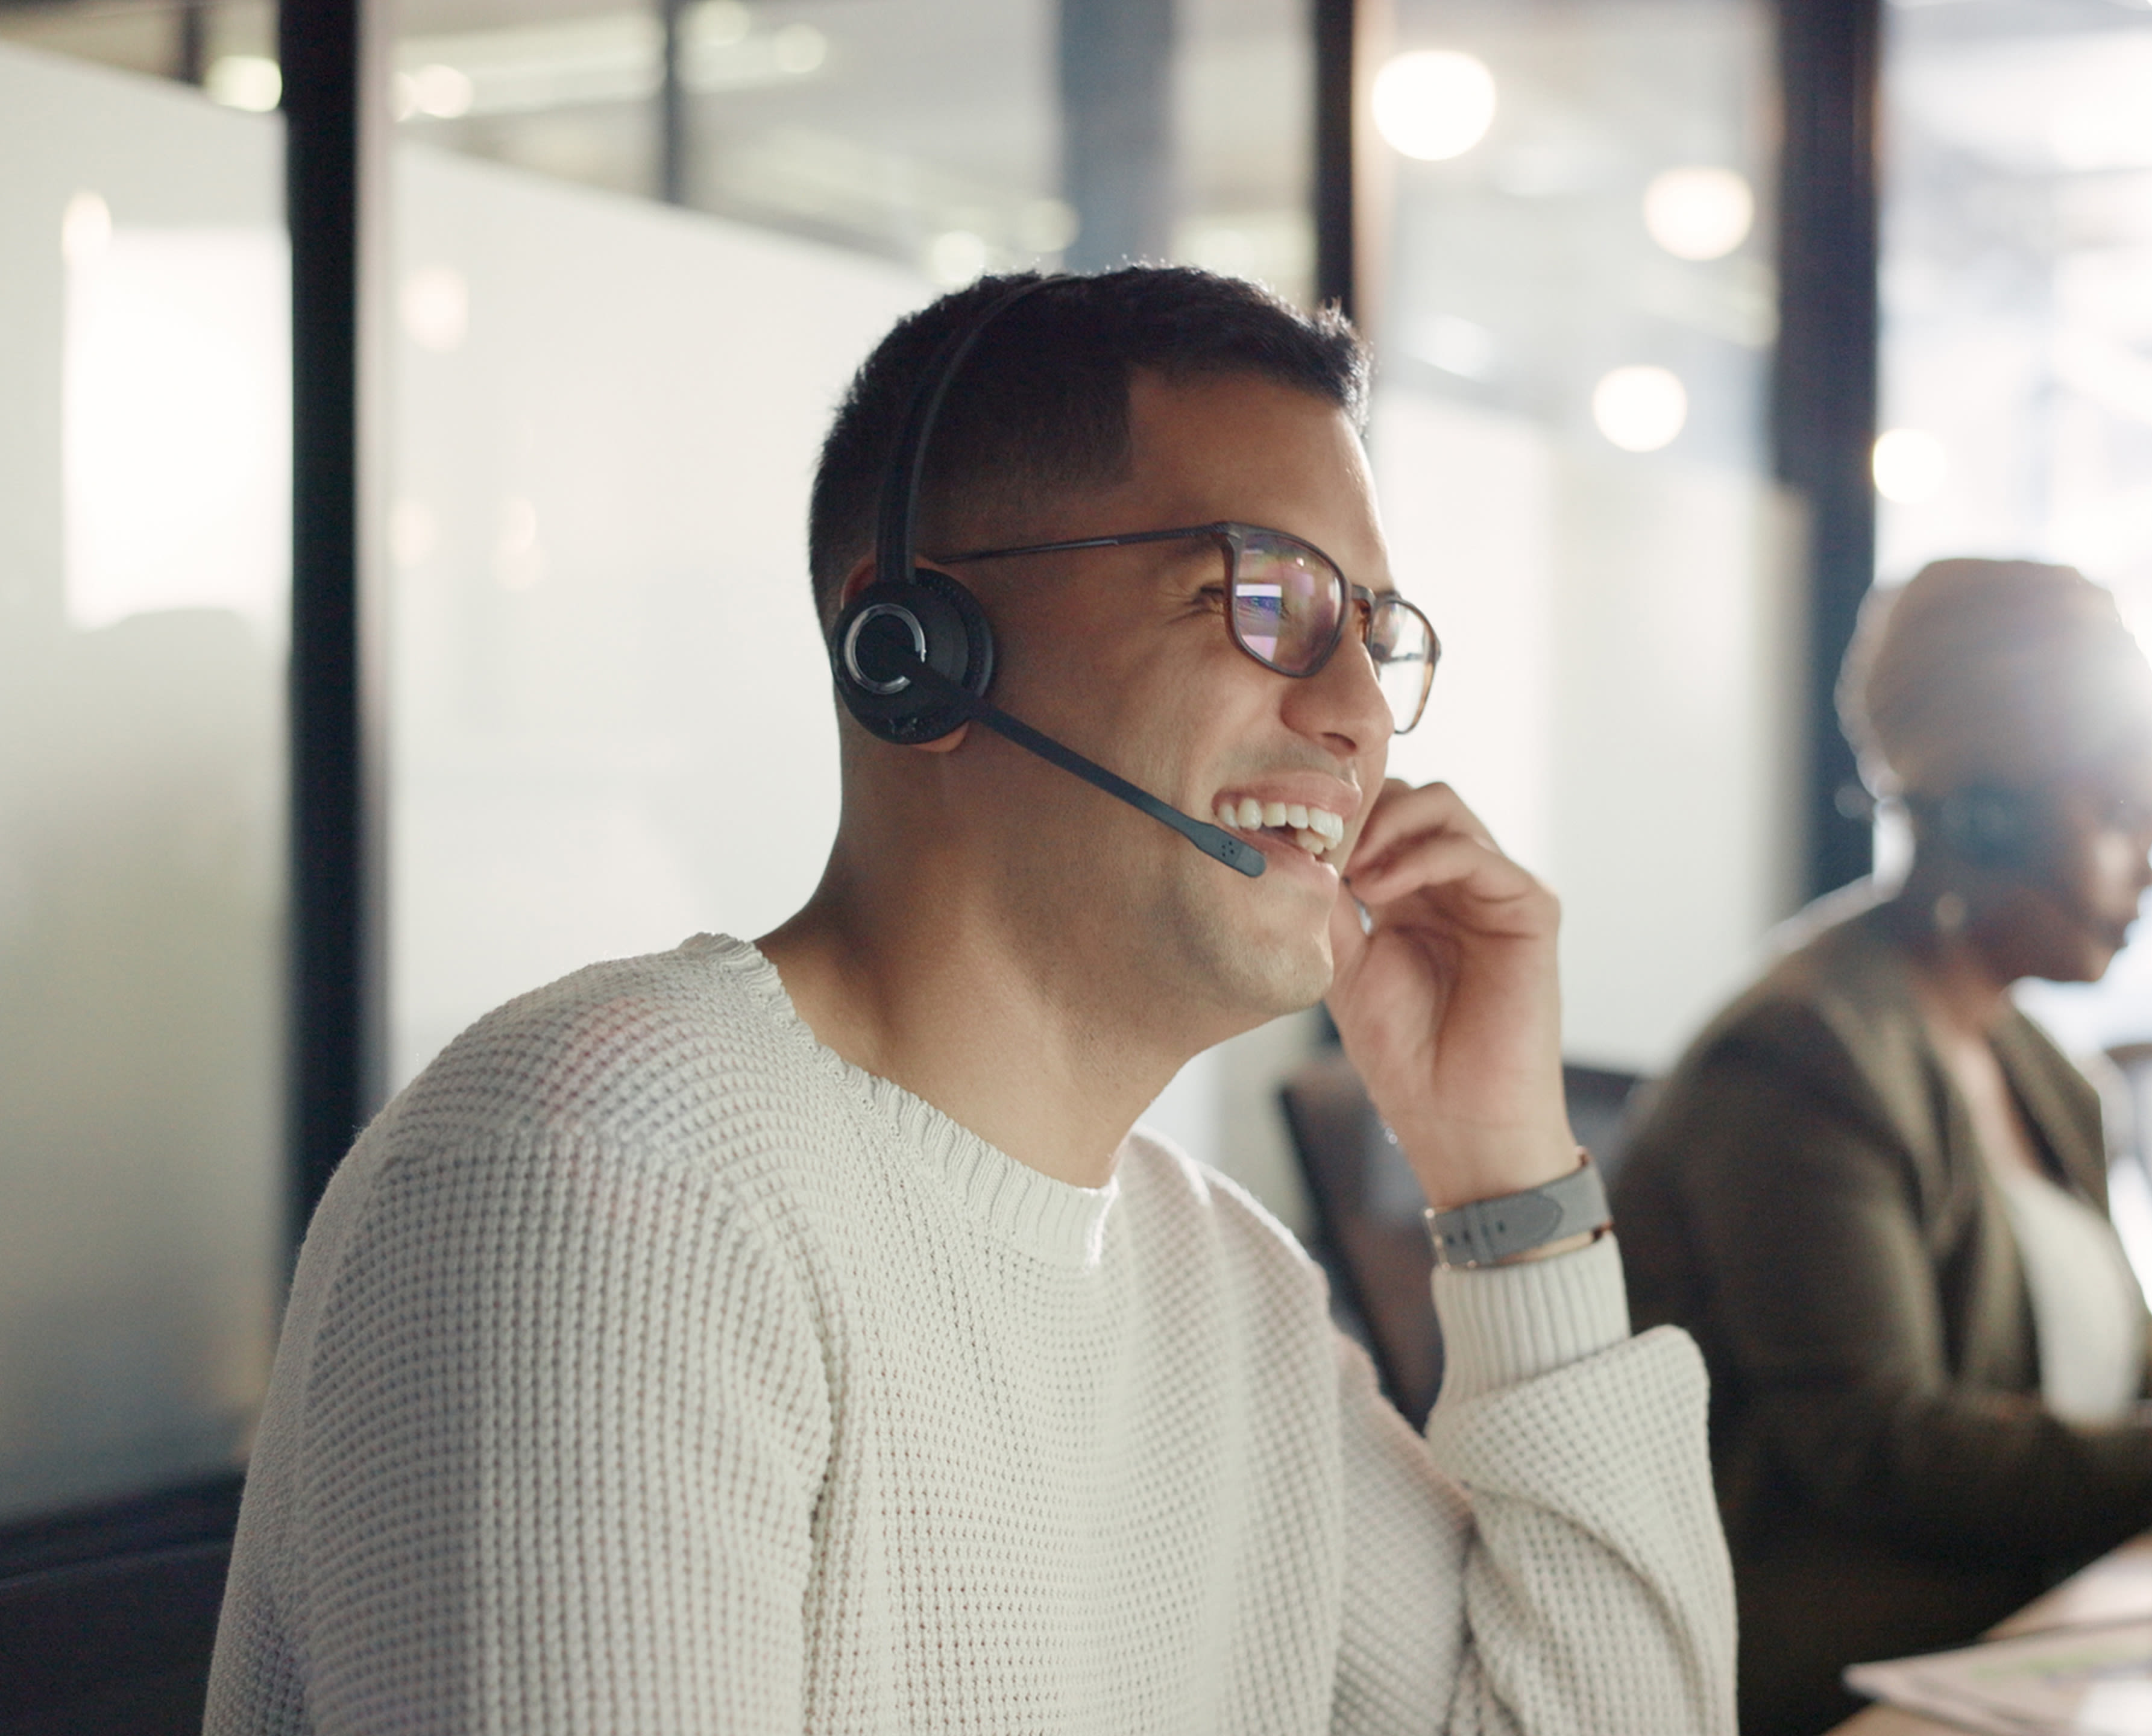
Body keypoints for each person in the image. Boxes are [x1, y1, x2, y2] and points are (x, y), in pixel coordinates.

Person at [208, 268, 1731, 1734]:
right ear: (915, 652)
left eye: (1378, 641)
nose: (1355, 719)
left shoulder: (1228, 1291)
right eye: (1269, 598)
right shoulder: (613, 1169)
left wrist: (1505, 1177)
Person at [1609, 557, 2152, 1736]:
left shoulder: (2051, 1078)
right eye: (2120, 818)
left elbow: (2147, 1383)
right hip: (1836, 1685)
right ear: (1983, 811)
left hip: (2023, 1644)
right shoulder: (1800, 1058)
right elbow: (1877, 1446)